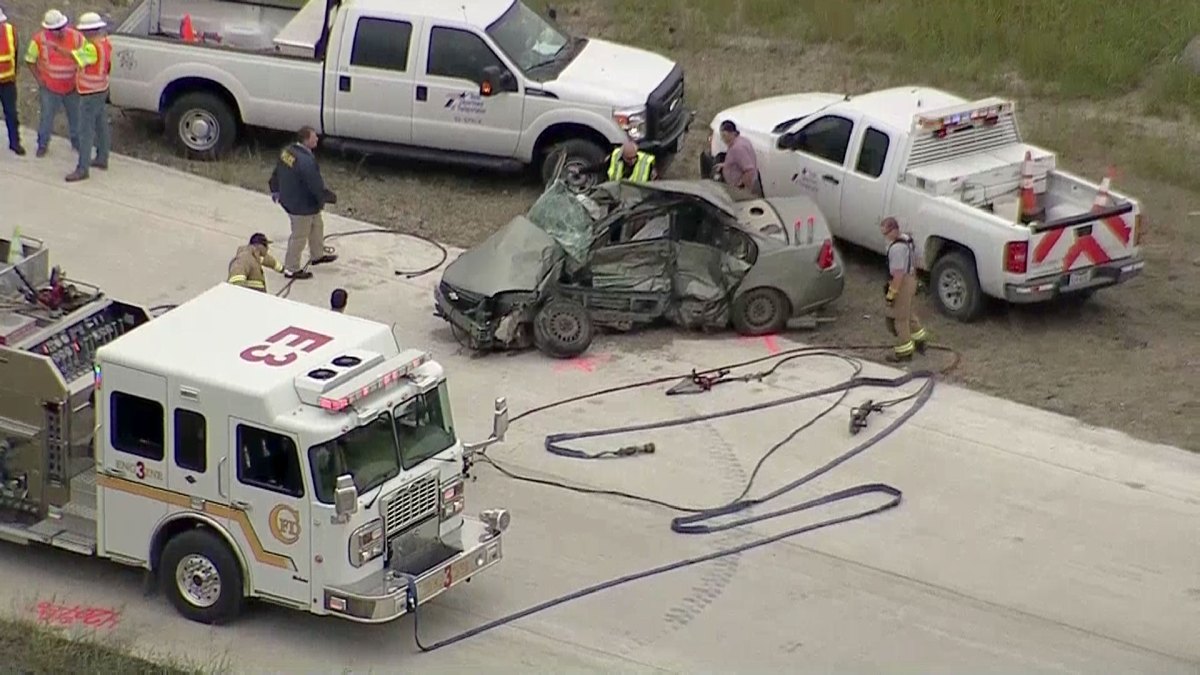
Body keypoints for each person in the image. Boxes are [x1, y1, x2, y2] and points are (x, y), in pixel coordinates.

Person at [268, 126, 338, 280]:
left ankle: (317, 255)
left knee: (316, 227)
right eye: (314, 137)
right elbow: (315, 185)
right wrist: (323, 199)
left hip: (292, 199)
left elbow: (277, 171)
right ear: (306, 140)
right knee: (299, 236)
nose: (317, 139)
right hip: (301, 205)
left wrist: (274, 188)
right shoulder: (306, 161)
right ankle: (291, 269)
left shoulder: (287, 152)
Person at [24, 9, 86, 158]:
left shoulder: (77, 38)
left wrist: (80, 80)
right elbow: (30, 60)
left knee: (75, 117)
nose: (59, 32)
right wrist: (39, 79)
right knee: (46, 117)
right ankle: (43, 144)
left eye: (60, 28)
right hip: (50, 88)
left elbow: (85, 59)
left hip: (71, 87)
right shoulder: (39, 40)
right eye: (55, 30)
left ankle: (77, 143)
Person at [65, 11, 110, 182]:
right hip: (101, 89)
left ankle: (82, 168)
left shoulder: (92, 48)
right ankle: (102, 158)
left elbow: (76, 58)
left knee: (86, 131)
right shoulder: (105, 43)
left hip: (89, 93)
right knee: (101, 126)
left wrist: (60, 50)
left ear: (89, 31)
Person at [881, 217, 929, 362]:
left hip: (902, 283)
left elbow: (898, 275)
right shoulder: (907, 240)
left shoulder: (896, 249)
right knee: (908, 313)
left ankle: (904, 352)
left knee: (900, 319)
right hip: (912, 279)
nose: (885, 236)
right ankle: (920, 341)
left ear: (894, 230)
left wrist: (892, 293)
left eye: (886, 233)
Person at [0, 8, 26, 156]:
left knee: (11, 113)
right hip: (9, 80)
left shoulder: (10, 31)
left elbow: (15, 53)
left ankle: (15, 143)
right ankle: (15, 143)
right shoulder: (10, 30)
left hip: (8, 81)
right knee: (11, 113)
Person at [714, 120, 762, 197]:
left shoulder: (737, 148)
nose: (723, 139)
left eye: (724, 135)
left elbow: (749, 170)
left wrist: (741, 186)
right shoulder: (742, 140)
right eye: (722, 136)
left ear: (732, 133)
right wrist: (725, 165)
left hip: (744, 190)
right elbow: (739, 162)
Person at [579, 140, 658, 183]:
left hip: (636, 197)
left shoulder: (646, 162)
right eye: (628, 159)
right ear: (623, 156)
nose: (632, 161)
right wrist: (581, 171)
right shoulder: (615, 156)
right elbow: (601, 167)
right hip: (617, 193)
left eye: (634, 158)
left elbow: (653, 183)